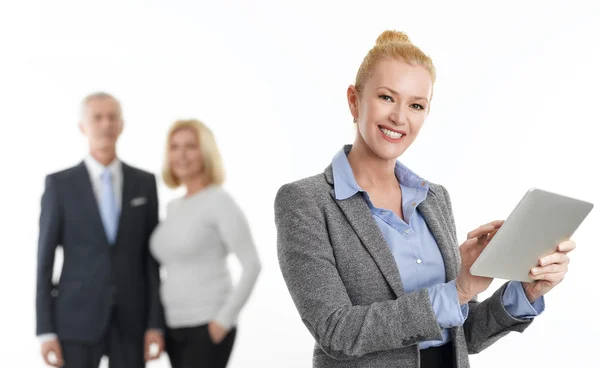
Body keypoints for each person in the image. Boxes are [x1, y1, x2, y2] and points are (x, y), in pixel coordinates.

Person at [274, 31, 575, 368]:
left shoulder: (434, 199)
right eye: (387, 97)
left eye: (416, 105)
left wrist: (527, 290)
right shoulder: (307, 202)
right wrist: (457, 291)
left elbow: (465, 335)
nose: (400, 117)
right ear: (354, 100)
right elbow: (336, 332)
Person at [36, 92, 165, 367]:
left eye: (112, 117)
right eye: (97, 117)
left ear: (122, 124)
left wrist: (155, 323)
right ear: (82, 126)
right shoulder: (59, 185)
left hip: (132, 320)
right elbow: (45, 261)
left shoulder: (144, 183)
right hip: (75, 319)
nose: (105, 124)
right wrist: (45, 329)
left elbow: (150, 259)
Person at [150, 119, 262, 368]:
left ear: (206, 152)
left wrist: (223, 320)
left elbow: (252, 264)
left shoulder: (219, 202)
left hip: (207, 325)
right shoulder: (173, 206)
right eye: (174, 147)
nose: (181, 155)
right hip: (173, 326)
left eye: (190, 146)